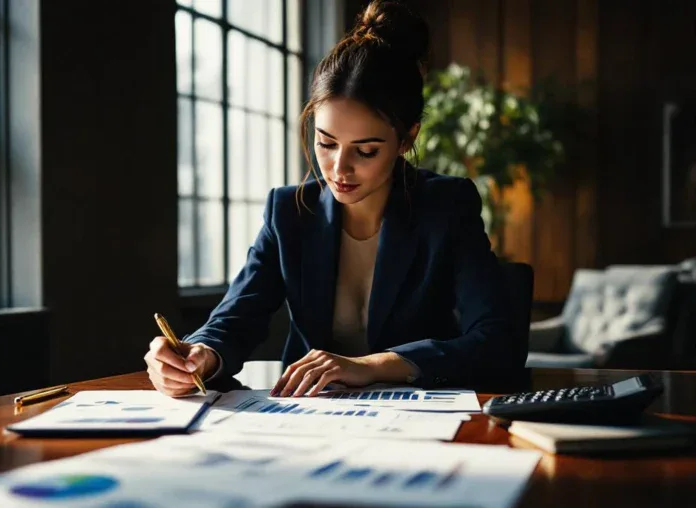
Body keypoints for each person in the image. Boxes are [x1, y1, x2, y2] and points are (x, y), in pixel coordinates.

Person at [145, 0, 514, 399]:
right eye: (326, 143)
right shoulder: (289, 213)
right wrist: (200, 356)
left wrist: (372, 366)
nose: (339, 168)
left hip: (419, 416)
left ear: (407, 138)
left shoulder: (445, 207)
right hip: (307, 418)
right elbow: (235, 319)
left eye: (366, 150)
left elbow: (497, 342)